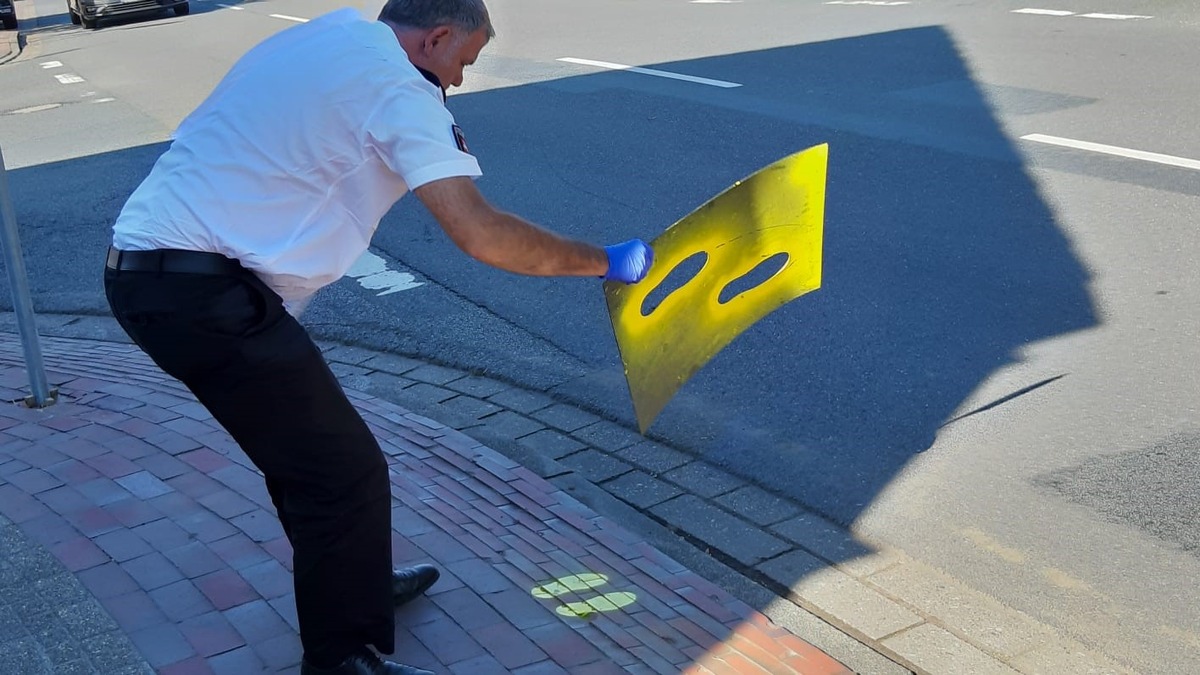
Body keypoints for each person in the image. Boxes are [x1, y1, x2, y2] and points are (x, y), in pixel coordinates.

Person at [102, 0, 654, 673]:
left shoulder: (332, 34)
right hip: (202, 294)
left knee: (309, 461)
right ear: (438, 37)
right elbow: (480, 232)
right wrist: (604, 260)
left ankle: (353, 587)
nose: (456, 82)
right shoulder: (400, 88)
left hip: (159, 274)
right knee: (343, 471)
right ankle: (339, 656)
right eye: (463, 63)